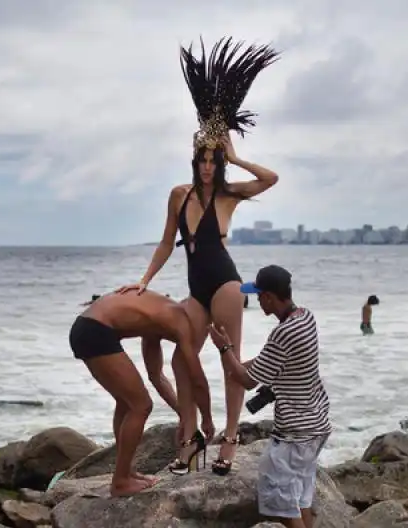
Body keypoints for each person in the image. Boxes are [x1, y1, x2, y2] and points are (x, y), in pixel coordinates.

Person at [118, 37, 280, 476]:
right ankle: (189, 440)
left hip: (227, 285)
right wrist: (145, 281)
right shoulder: (178, 194)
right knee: (179, 360)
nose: (208, 166)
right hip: (195, 290)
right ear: (194, 159)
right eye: (203, 159)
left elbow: (271, 178)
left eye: (214, 160)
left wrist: (236, 155)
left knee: (231, 361)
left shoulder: (228, 194)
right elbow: (167, 241)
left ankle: (230, 438)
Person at [208, 265, 331, 528]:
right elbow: (267, 361)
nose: (254, 300)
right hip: (316, 425)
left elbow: (247, 380)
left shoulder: (283, 332)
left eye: (257, 295)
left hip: (294, 434)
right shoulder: (305, 318)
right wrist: (238, 360)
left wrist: (224, 349)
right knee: (300, 497)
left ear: (268, 298)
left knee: (283, 505)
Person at [68, 289, 214, 497]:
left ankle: (126, 472)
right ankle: (120, 482)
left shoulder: (157, 319)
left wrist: (183, 414)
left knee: (127, 402)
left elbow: (156, 376)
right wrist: (206, 419)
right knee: (141, 405)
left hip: (86, 328)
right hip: (95, 330)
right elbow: (197, 379)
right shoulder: (181, 322)